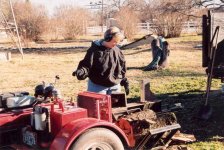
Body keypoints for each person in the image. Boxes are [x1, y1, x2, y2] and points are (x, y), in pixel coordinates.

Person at [73, 26, 129, 95]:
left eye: (117, 42)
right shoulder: (94, 50)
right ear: (108, 39)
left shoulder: (117, 51)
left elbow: (122, 67)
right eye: (114, 41)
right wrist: (81, 71)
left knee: (115, 106)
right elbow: (86, 65)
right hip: (97, 86)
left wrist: (124, 80)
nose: (116, 44)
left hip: (114, 85)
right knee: (98, 106)